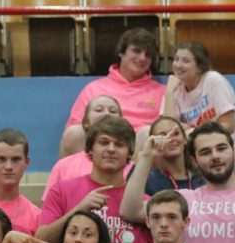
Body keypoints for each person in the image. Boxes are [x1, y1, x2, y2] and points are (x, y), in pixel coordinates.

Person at [121, 122, 235, 243]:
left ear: (233, 151)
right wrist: (146, 157)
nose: (215, 156)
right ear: (193, 160)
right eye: (205, 152)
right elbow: (131, 210)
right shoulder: (183, 199)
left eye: (221, 148)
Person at [38, 115, 152, 243]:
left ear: (130, 153)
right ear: (90, 149)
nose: (111, 149)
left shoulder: (142, 204)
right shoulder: (62, 190)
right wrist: (79, 210)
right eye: (104, 142)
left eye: (119, 144)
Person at [60, 28, 165, 157]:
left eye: (148, 55)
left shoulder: (162, 92)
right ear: (121, 53)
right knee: (73, 133)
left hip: (139, 155)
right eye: (136, 51)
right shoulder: (94, 88)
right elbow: (76, 125)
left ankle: (132, 176)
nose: (142, 58)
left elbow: (167, 130)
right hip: (98, 150)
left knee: (147, 134)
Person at [164, 41, 235, 158]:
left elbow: (228, 125)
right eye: (176, 59)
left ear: (199, 67)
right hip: (193, 153)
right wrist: (169, 93)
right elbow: (168, 130)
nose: (178, 65)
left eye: (185, 61)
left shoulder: (214, 81)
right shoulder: (174, 88)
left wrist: (194, 132)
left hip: (229, 150)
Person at [47, 95, 124, 196]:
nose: (106, 114)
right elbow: (50, 209)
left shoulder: (132, 168)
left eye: (113, 111)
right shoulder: (63, 166)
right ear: (86, 122)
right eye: (99, 110)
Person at [144, 117, 205, 195]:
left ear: (185, 139)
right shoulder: (150, 181)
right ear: (153, 143)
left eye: (176, 133)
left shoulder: (202, 175)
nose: (171, 139)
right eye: (163, 135)